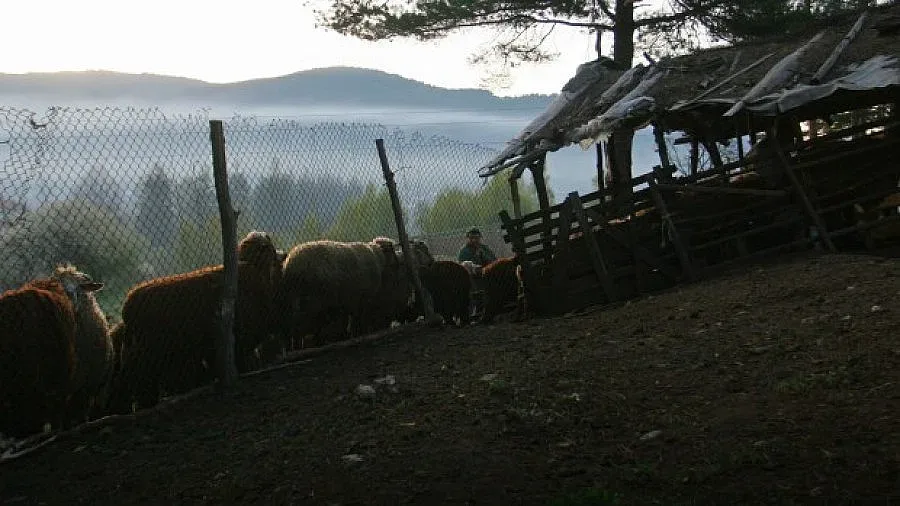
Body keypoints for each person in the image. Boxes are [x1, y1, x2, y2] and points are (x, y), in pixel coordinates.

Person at [458, 228, 496, 320]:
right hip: (472, 278)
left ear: (480, 238)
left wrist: (483, 255)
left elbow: (494, 261)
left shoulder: (484, 248)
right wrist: (476, 257)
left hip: (487, 274)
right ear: (468, 239)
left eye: (476, 238)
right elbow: (464, 267)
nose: (474, 240)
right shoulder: (464, 251)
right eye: (471, 238)